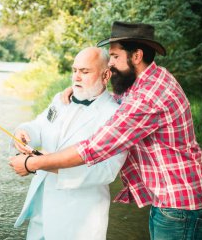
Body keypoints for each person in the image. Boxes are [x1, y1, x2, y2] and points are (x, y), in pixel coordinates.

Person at [9, 21, 202, 240]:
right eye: (75, 71)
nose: (111, 64)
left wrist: (33, 164)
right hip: (169, 202)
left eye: (115, 56)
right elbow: (112, 97)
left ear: (136, 56)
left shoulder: (148, 96)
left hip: (179, 205)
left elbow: (93, 148)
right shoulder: (147, 82)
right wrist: (80, 86)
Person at [12, 47, 126, 240]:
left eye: (85, 71)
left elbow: (107, 171)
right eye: (74, 70)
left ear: (105, 75)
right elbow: (39, 126)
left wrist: (45, 163)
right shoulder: (61, 99)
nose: (76, 77)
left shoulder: (116, 115)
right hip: (40, 209)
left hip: (77, 219)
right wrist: (22, 132)